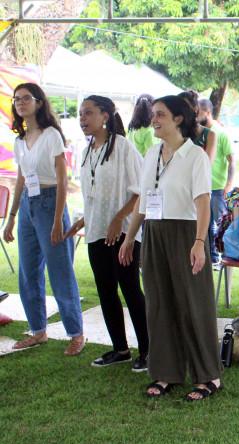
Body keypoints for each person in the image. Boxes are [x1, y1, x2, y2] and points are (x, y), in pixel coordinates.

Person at [118, 95, 222, 400]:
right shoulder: (151, 153)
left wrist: (200, 243)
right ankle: (166, 372)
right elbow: (142, 199)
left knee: (194, 304)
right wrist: (129, 237)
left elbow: (203, 203)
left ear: (178, 119)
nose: (154, 119)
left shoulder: (195, 155)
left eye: (160, 114)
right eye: (153, 114)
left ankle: (208, 376)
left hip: (185, 232)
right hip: (154, 231)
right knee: (159, 304)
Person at [64, 95, 148, 371]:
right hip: (96, 231)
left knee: (131, 289)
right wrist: (83, 220)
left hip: (123, 233)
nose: (82, 119)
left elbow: (141, 191)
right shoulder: (88, 150)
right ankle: (120, 349)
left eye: (88, 113)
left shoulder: (123, 147)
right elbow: (94, 194)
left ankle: (149, 350)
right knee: (106, 291)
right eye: (80, 114)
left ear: (105, 116)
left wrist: (119, 219)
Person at [4, 83, 84, 354]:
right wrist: (12, 216)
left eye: (26, 98)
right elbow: (21, 180)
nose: (20, 103)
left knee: (60, 271)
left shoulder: (51, 135)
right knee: (28, 273)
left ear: (39, 102)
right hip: (28, 205)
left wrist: (57, 219)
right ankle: (38, 331)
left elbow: (63, 180)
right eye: (16, 99)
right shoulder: (19, 140)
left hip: (51, 204)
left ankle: (76, 333)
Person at [197, 98, 234, 265]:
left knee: (220, 224)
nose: (196, 115)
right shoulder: (199, 133)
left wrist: (228, 184)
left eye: (198, 112)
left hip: (218, 187)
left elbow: (232, 160)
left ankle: (225, 256)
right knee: (205, 225)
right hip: (202, 187)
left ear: (207, 112)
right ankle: (212, 257)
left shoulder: (220, 133)